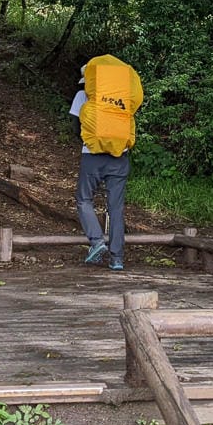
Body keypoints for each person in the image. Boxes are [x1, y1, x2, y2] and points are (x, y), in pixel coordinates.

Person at [70, 66, 129, 271]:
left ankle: (96, 241)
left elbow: (77, 128)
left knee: (84, 198)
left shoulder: (82, 95)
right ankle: (117, 258)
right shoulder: (122, 97)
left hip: (92, 155)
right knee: (116, 207)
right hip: (119, 156)